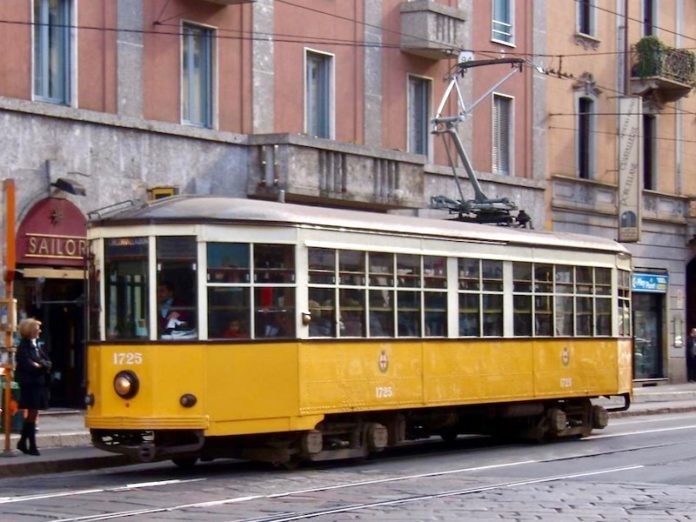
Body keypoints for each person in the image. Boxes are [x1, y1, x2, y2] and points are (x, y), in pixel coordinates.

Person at [14, 318, 52, 456]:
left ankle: (24, 442)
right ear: (30, 330)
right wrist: (40, 365)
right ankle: (32, 445)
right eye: (37, 328)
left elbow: (47, 362)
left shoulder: (36, 345)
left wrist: (41, 365)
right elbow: (29, 366)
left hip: (38, 383)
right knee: (32, 413)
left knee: (33, 413)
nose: (39, 331)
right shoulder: (24, 347)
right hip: (30, 384)